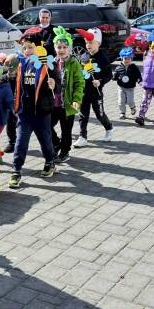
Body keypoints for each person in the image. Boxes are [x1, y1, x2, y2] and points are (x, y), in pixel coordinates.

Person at [9, 32, 57, 188]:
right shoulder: (22, 65)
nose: (27, 51)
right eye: (24, 48)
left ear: (39, 48)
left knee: (46, 142)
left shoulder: (47, 64)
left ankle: (50, 161)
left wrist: (54, 84)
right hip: (25, 113)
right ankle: (16, 170)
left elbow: (57, 83)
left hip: (42, 113)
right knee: (20, 143)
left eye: (30, 47)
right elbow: (16, 87)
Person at [50, 27, 85, 164]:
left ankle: (65, 151)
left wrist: (76, 99)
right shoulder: (52, 63)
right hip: (53, 103)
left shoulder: (74, 63)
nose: (62, 50)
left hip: (68, 104)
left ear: (69, 49)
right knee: (47, 125)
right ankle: (56, 143)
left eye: (65, 47)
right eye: (59, 47)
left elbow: (79, 83)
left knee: (66, 130)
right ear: (55, 48)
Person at [74, 28, 113, 146]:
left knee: (99, 114)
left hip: (96, 93)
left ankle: (109, 128)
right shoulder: (83, 57)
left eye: (91, 42)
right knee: (83, 115)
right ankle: (82, 137)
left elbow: (109, 75)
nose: (88, 45)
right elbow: (79, 72)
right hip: (84, 92)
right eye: (86, 42)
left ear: (98, 43)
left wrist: (100, 81)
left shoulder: (103, 58)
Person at [113, 47, 142, 118]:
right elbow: (115, 77)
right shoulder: (118, 68)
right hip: (121, 87)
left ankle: (132, 107)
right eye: (125, 58)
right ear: (122, 58)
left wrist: (139, 81)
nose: (127, 60)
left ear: (131, 59)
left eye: (129, 58)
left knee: (130, 101)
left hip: (130, 87)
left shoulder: (134, 67)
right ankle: (122, 113)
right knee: (121, 101)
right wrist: (114, 77)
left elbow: (138, 75)